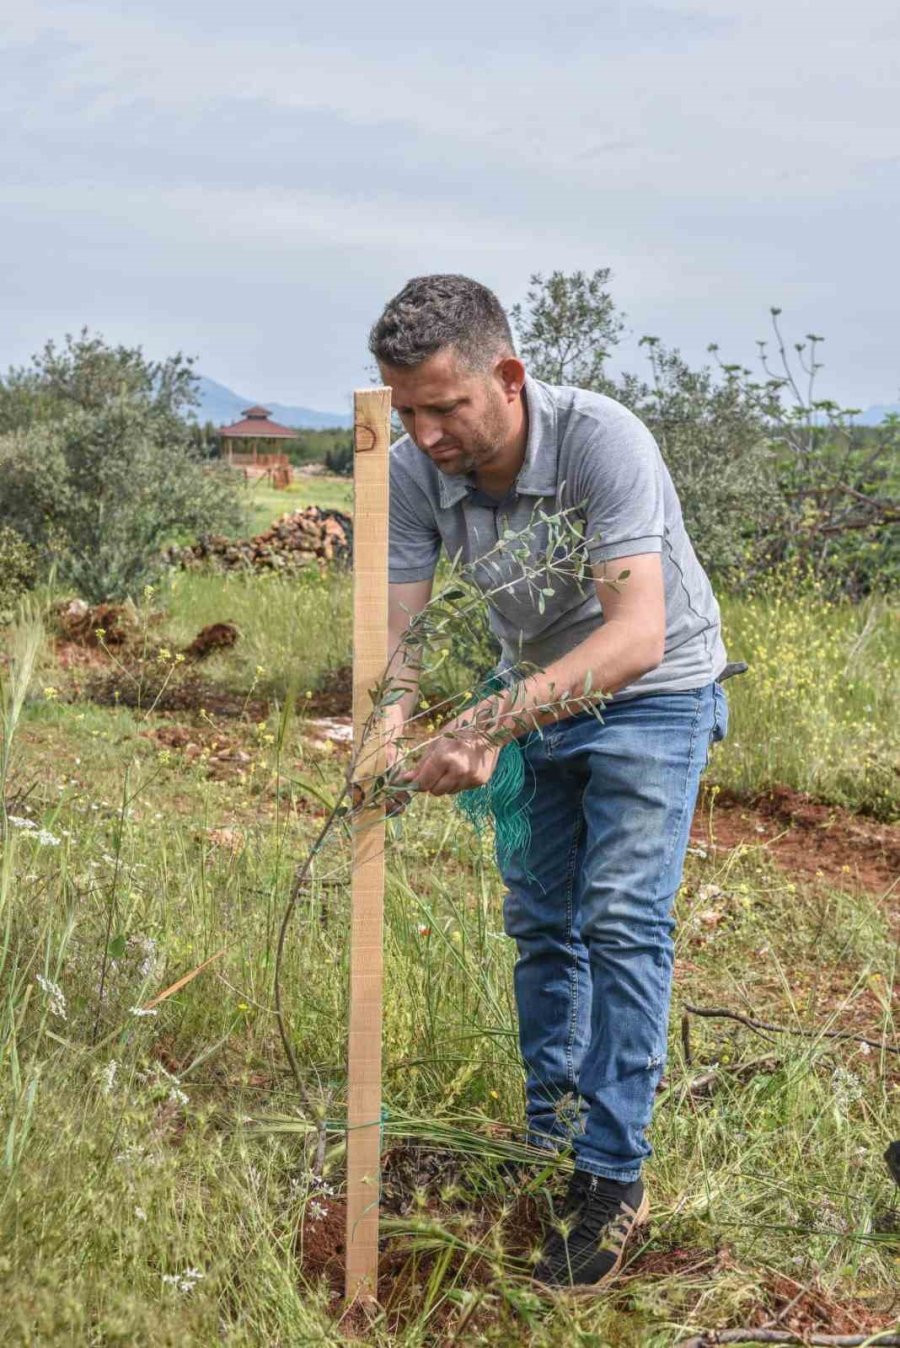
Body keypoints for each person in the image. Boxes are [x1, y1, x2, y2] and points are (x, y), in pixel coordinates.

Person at [370, 274, 730, 1292]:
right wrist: (386, 735)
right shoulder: (411, 471)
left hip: (652, 692)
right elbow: (391, 635)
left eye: (447, 406)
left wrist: (484, 722)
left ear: (509, 376)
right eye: (408, 410)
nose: (429, 434)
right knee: (541, 920)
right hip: (532, 695)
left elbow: (637, 633)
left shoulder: (601, 440)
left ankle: (613, 1177)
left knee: (618, 917)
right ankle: (553, 1139)